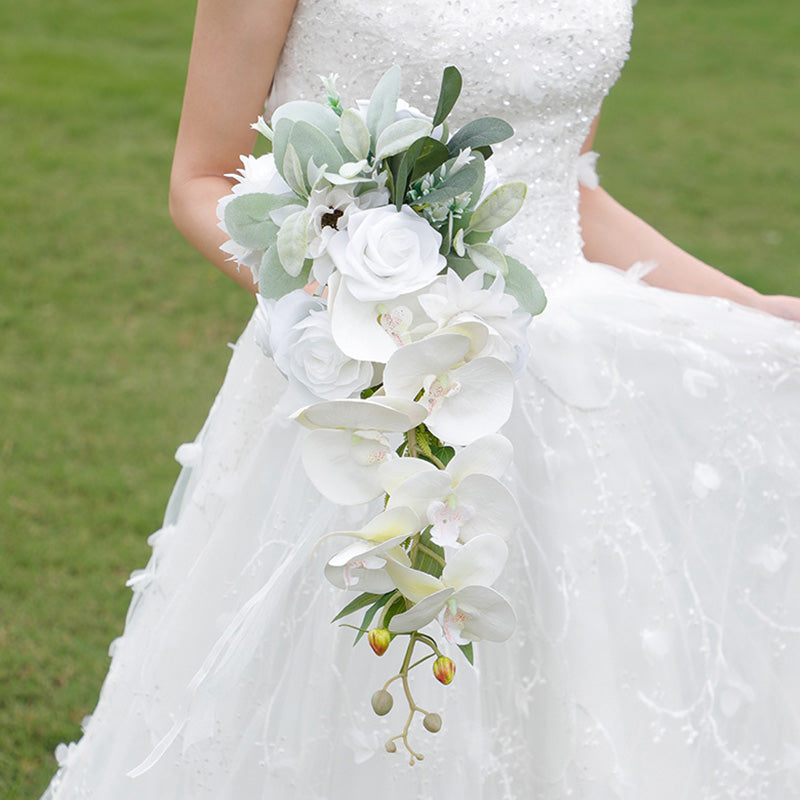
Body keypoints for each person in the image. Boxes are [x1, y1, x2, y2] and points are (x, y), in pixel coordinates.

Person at [41, 0, 800, 797]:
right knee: (358, 692)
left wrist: (749, 306)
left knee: (567, 691)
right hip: (369, 395)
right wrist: (368, 319)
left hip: (564, 384)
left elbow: (563, 189)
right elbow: (201, 180)